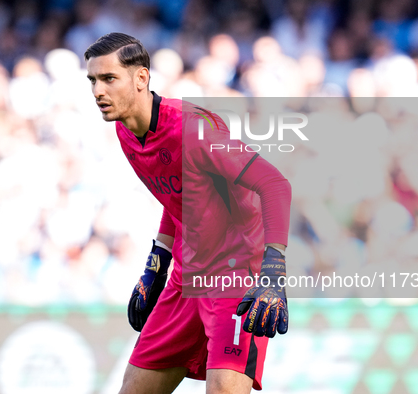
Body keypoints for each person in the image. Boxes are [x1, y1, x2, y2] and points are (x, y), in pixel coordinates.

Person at [85, 32, 292, 394]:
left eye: (109, 79)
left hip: (235, 274)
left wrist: (273, 269)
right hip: (186, 277)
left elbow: (274, 184)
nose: (98, 91)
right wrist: (157, 261)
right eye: (93, 81)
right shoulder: (124, 129)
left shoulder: (194, 129)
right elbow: (178, 195)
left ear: (141, 78)